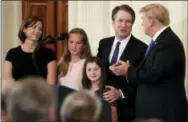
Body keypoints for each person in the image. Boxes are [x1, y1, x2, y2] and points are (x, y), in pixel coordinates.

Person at [110, 3, 187, 121]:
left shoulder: (168, 42)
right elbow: (152, 70)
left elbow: (153, 74)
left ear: (151, 21)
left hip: (163, 112)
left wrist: (128, 70)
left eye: (143, 19)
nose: (142, 23)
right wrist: (130, 68)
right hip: (156, 111)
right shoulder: (162, 40)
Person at [97, 4, 147, 121]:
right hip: (102, 105)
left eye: (128, 21)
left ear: (132, 24)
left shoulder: (142, 48)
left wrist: (121, 93)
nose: (124, 25)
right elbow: (98, 69)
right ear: (113, 22)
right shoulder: (104, 43)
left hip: (127, 108)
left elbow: (143, 80)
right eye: (120, 20)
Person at [2, 16, 57, 89]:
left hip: (41, 97)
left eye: (40, 29)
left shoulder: (48, 53)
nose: (37, 31)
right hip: (17, 97)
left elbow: (51, 83)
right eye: (34, 27)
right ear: (24, 29)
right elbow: (6, 80)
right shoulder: (12, 53)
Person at [82, 56, 117, 121]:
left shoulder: (108, 92)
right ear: (85, 72)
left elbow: (113, 118)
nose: (92, 73)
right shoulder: (83, 91)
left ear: (102, 70)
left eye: (96, 69)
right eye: (89, 70)